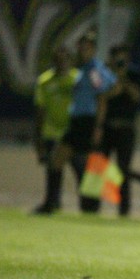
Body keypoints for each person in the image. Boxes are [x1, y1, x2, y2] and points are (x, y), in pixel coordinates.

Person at [36, 30, 117, 214]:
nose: (83, 51)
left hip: (86, 122)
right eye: (81, 47)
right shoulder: (85, 69)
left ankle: (81, 205)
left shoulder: (93, 70)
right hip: (78, 122)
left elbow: (102, 97)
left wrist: (98, 126)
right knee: (63, 161)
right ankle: (55, 203)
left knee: (82, 163)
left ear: (93, 49)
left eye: (87, 48)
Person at [102, 44, 140, 217]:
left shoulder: (134, 74)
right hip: (107, 126)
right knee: (102, 166)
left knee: (122, 169)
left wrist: (123, 78)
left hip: (126, 127)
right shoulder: (105, 74)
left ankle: (123, 209)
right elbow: (104, 96)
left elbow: (136, 96)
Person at [32, 47, 79, 214]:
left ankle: (89, 206)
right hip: (51, 133)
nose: (62, 62)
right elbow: (40, 111)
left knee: (82, 172)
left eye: (65, 58)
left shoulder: (77, 79)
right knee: (53, 171)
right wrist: (38, 140)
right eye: (58, 58)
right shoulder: (44, 81)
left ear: (70, 60)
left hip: (74, 134)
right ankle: (52, 203)